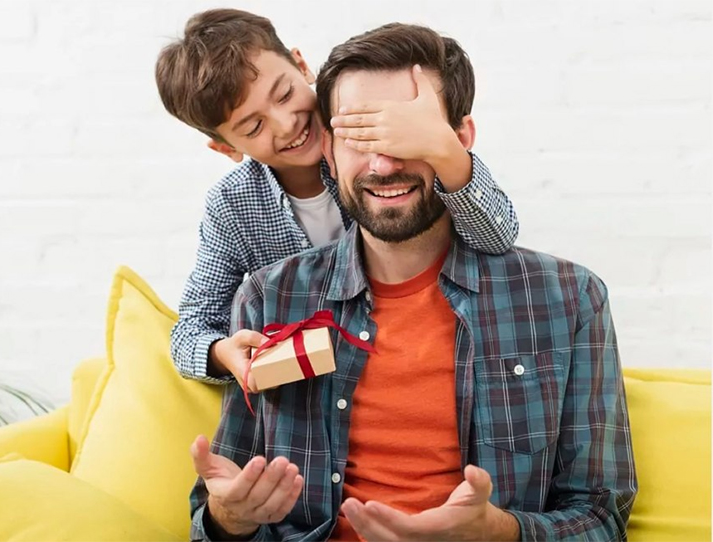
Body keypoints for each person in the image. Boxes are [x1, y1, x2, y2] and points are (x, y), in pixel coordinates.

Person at [189, 22, 636, 542]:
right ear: (328, 149)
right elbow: (217, 512)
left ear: (458, 142)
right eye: (359, 138)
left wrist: (499, 531)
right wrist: (230, 520)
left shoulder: (568, 299)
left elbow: (602, 517)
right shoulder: (269, 297)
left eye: (407, 137)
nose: (383, 164)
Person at [155, 9, 519, 391]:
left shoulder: (382, 152)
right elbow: (192, 327)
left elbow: (497, 236)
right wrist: (221, 353)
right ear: (226, 147)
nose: (287, 123)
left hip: (426, 349)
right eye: (254, 126)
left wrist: (445, 149)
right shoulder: (233, 206)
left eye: (284, 94)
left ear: (301, 65)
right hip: (328, 387)